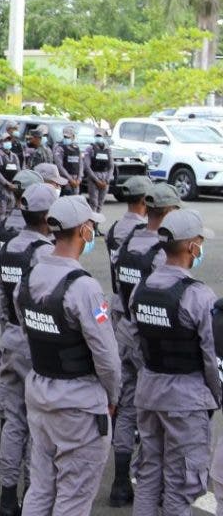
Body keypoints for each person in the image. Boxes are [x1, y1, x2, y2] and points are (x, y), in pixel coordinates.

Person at [17, 195, 121, 515]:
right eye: (91, 226)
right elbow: (106, 357)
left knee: (41, 487)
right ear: (84, 231)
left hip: (40, 393)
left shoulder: (30, 276)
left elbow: (27, 328)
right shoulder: (83, 287)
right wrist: (112, 396)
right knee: (73, 497)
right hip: (78, 405)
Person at [130, 209, 220, 516]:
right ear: (191, 246)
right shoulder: (199, 296)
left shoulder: (141, 289)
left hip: (149, 392)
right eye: (199, 241)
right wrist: (215, 395)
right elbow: (211, 357)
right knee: (180, 485)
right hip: (186, 400)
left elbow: (135, 344)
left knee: (148, 477)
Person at [108, 181, 179, 506]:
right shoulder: (162, 254)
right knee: (153, 413)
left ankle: (121, 481)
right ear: (167, 212)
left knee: (126, 407)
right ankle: (153, 483)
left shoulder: (128, 240)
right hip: (149, 341)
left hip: (122, 327)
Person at [0, 183, 56, 516]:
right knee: (36, 423)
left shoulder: (8, 247)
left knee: (13, 419)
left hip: (12, 337)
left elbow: (3, 298)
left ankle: (7, 496)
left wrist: (8, 332)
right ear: (47, 217)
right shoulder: (45, 252)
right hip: (34, 341)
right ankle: (32, 491)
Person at [84, 127, 115, 230]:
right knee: (94, 203)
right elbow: (87, 166)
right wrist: (96, 180)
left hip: (105, 178)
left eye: (100, 136)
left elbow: (111, 166)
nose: (98, 138)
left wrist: (107, 180)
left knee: (100, 204)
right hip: (94, 178)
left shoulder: (107, 149)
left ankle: (96, 227)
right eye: (97, 136)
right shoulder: (90, 149)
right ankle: (91, 227)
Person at [0, 132, 21, 223]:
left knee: (10, 211)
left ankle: (7, 232)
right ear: (1, 143)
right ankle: (0, 233)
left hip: (12, 188)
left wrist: (16, 185)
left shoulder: (14, 157)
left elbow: (19, 171)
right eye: (5, 141)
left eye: (9, 140)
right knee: (1, 213)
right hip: (2, 188)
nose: (8, 142)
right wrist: (6, 183)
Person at [54, 125, 84, 196]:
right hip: (65, 179)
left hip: (76, 180)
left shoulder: (76, 148)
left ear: (73, 137)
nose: (66, 139)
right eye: (65, 137)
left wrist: (79, 179)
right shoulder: (59, 148)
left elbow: (81, 164)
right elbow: (59, 166)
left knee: (75, 200)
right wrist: (70, 180)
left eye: (68, 137)